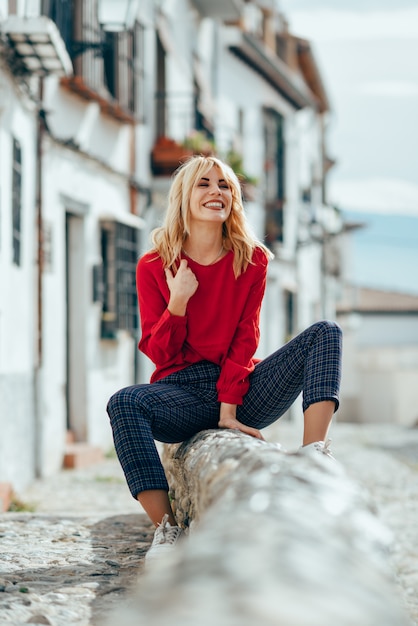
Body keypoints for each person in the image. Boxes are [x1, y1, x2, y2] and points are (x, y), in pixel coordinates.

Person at [107, 155, 342, 562]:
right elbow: (159, 351)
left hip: (242, 389)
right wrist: (178, 299)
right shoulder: (153, 265)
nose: (216, 192)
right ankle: (167, 532)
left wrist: (230, 408)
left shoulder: (252, 259)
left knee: (325, 333)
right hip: (181, 396)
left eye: (225, 185)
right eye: (204, 184)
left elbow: (244, 337)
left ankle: (313, 457)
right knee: (124, 403)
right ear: (184, 194)